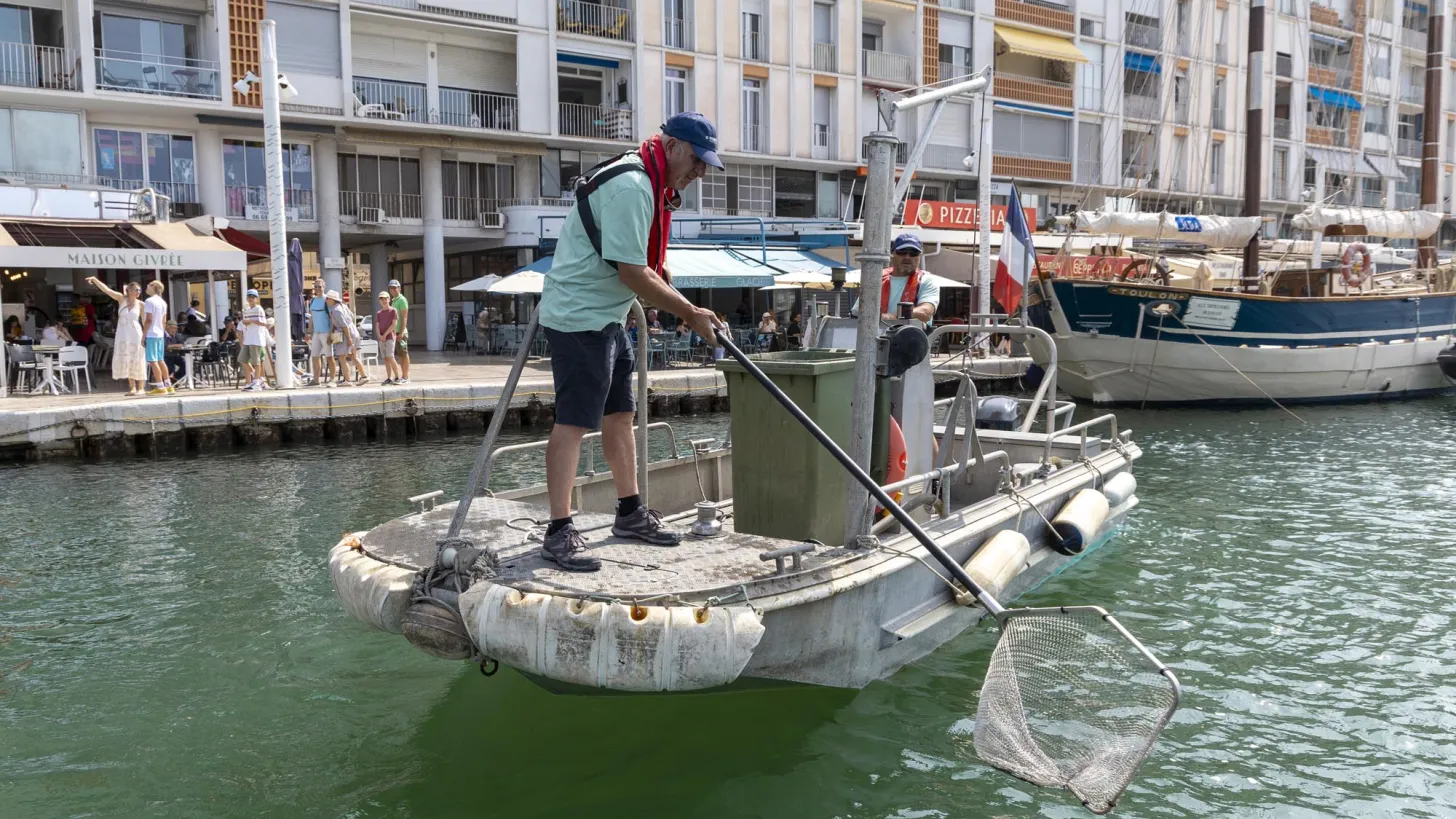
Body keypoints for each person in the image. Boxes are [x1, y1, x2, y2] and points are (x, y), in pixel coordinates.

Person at [537, 110, 724, 571]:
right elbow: (631, 270)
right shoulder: (633, 185)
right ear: (674, 146)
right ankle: (558, 531)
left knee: (621, 415)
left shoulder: (651, 179)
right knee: (574, 423)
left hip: (610, 315)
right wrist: (692, 313)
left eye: (706, 164)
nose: (700, 171)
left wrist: (678, 297)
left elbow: (642, 264)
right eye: (698, 161)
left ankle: (629, 512)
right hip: (580, 316)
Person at [852, 233, 941, 325]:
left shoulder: (926, 281)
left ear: (919, 256)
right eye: (902, 251)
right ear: (892, 254)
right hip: (877, 335)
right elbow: (858, 312)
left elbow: (925, 312)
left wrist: (889, 317)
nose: (907, 257)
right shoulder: (876, 279)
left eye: (914, 253)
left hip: (913, 337)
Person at [87, 278, 146, 396]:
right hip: (123, 334)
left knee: (138, 358)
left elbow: (145, 322)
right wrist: (95, 280)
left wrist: (145, 337)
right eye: (136, 290)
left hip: (136, 334)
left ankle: (141, 388)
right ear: (129, 290)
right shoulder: (121, 299)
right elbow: (107, 290)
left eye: (139, 290)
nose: (138, 292)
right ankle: (132, 387)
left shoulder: (141, 304)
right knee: (127, 358)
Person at [327, 290, 367, 386]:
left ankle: (348, 380)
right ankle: (363, 376)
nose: (326, 300)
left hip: (346, 333)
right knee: (353, 356)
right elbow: (352, 316)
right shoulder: (343, 306)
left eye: (327, 298)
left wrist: (349, 339)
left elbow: (344, 325)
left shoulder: (335, 310)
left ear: (332, 299)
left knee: (341, 357)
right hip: (353, 330)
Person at [142, 279, 173, 394]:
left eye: (149, 285)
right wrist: (162, 331)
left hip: (151, 334)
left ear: (153, 286)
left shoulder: (149, 301)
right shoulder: (163, 302)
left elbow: (148, 320)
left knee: (152, 360)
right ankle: (168, 385)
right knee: (160, 360)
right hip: (160, 333)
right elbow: (164, 321)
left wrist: (143, 335)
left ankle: (160, 386)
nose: (147, 287)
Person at [239, 289, 269, 391]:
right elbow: (245, 322)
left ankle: (256, 382)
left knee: (257, 361)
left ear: (256, 299)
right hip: (248, 338)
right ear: (247, 298)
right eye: (249, 296)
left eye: (253, 297)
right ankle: (256, 379)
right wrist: (246, 322)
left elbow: (263, 323)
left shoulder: (259, 309)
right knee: (242, 359)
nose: (251, 298)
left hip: (256, 338)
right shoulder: (247, 310)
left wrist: (251, 320)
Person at [305, 279, 333, 386]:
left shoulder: (327, 300)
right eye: (315, 287)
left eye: (319, 287)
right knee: (314, 357)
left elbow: (332, 318)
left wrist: (331, 334)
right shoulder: (313, 301)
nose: (317, 289)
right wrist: (308, 332)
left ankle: (332, 380)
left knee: (329, 357)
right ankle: (316, 379)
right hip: (316, 333)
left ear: (324, 287)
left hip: (326, 332)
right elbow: (312, 318)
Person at [387, 279, 410, 384]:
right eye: (391, 288)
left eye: (394, 288)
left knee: (404, 354)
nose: (392, 290)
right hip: (394, 333)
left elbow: (405, 317)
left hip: (400, 333)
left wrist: (400, 333)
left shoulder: (402, 300)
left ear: (399, 288)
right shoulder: (393, 300)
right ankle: (403, 376)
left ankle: (406, 377)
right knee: (400, 355)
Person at [375, 291, 401, 385]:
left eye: (385, 299)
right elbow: (377, 326)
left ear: (389, 299)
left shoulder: (393, 310)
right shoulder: (379, 313)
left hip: (390, 337)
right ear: (379, 301)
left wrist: (385, 335)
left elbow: (394, 325)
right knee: (385, 358)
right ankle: (389, 377)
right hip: (382, 339)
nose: (384, 301)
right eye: (382, 299)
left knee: (390, 356)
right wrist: (379, 336)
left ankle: (397, 377)